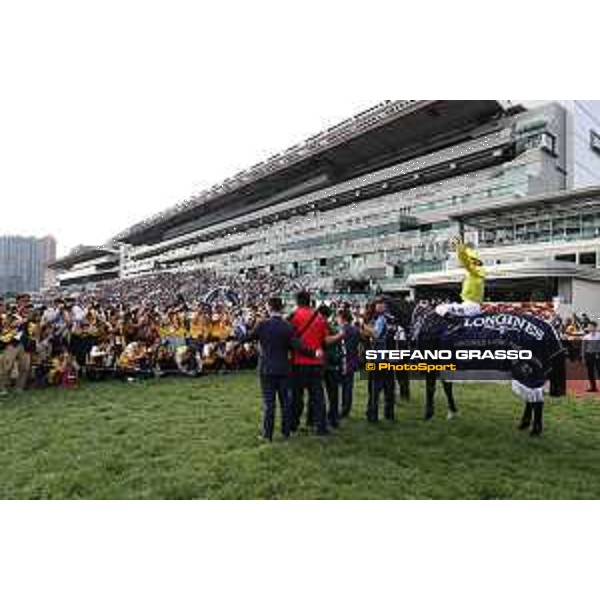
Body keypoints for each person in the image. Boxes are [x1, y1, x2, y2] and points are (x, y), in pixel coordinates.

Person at [252, 297, 321, 442]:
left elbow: (247, 337)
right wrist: (314, 352)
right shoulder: (287, 326)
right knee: (285, 403)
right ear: (281, 308)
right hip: (284, 368)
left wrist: (234, 342)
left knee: (269, 404)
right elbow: (298, 346)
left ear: (269, 307)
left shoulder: (262, 324)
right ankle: (286, 431)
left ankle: (267, 435)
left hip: (267, 368)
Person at [288, 291, 330, 436]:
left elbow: (289, 338)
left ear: (297, 301)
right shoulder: (319, 317)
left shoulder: (293, 316)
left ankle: (293, 425)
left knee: (296, 397)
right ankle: (321, 427)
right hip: (317, 362)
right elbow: (325, 341)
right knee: (318, 397)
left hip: (299, 362)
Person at [362, 297, 396, 423]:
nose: (380, 306)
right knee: (389, 387)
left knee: (375, 388)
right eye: (378, 304)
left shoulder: (381, 319)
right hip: (390, 356)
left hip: (378, 358)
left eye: (381, 304)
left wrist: (364, 327)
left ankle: (372, 414)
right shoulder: (391, 318)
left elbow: (376, 334)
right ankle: (389, 414)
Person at [436, 236, 486, 317]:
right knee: (442, 308)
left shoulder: (475, 271)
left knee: (440, 308)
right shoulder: (476, 272)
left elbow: (464, 259)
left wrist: (458, 245)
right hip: (471, 305)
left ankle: (451, 319)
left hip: (470, 306)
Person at [336, 308, 360, 419]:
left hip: (344, 360)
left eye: (338, 317)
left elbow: (342, 347)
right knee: (348, 387)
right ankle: (346, 409)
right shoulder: (355, 329)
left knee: (341, 387)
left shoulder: (342, 330)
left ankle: (342, 410)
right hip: (352, 360)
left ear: (342, 318)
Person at [582, 321, 600, 392]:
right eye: (589, 326)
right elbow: (583, 348)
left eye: (591, 326)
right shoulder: (586, 337)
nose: (589, 328)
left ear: (595, 327)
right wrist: (583, 357)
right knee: (590, 372)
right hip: (589, 355)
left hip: (598, 355)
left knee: (599, 371)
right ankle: (593, 387)